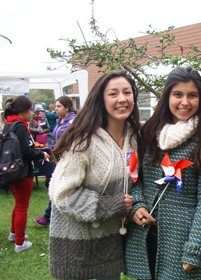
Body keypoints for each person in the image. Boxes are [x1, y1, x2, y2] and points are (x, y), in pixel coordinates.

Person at [125, 66, 201, 279]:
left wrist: (195, 246)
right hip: (145, 234)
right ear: (167, 96)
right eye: (177, 94)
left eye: (192, 95)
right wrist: (137, 205)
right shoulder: (149, 130)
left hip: (183, 238)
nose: (185, 102)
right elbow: (136, 177)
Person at [48, 70, 141, 280]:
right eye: (113, 94)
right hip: (77, 241)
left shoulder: (136, 137)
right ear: (100, 99)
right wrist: (109, 205)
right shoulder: (82, 141)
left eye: (127, 92)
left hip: (111, 241)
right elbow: (61, 194)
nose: (122, 99)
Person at [3, 96, 49, 252]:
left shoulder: (9, 123)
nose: (32, 114)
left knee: (18, 204)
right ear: (22, 111)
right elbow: (26, 151)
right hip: (22, 171)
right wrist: (41, 155)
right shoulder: (20, 126)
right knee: (22, 206)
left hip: (12, 170)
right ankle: (19, 243)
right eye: (30, 110)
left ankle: (14, 233)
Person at [33, 96, 77, 227]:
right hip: (60, 159)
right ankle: (51, 217)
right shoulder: (61, 120)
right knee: (59, 187)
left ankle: (48, 217)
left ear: (67, 107)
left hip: (69, 160)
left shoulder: (73, 121)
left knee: (58, 187)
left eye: (58, 106)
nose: (55, 109)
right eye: (55, 106)